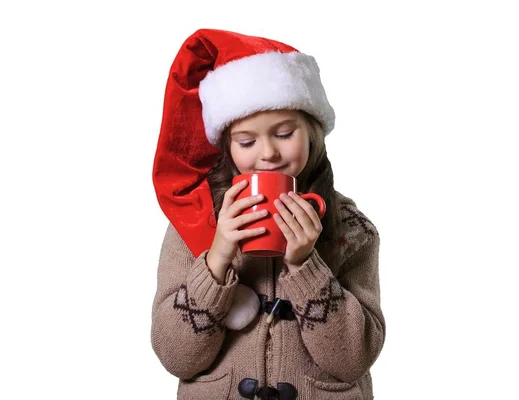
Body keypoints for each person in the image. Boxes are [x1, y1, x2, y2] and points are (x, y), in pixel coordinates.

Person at [151, 29, 385, 400]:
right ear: (228, 146)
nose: (268, 154)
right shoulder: (195, 221)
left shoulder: (352, 229)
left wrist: (305, 266)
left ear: (312, 134)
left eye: (284, 133)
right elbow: (177, 357)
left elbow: (354, 359)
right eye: (247, 141)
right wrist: (218, 257)